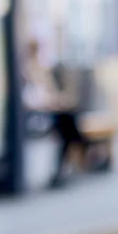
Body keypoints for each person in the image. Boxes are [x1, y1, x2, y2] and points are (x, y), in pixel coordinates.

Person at [21, 40, 89, 188]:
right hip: (35, 116)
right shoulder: (26, 69)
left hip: (47, 110)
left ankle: (66, 162)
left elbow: (50, 92)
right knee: (67, 121)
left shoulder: (41, 68)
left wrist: (59, 101)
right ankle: (81, 146)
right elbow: (33, 97)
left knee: (68, 118)